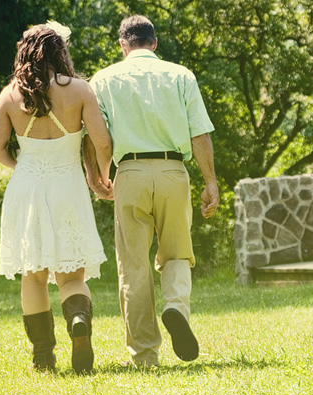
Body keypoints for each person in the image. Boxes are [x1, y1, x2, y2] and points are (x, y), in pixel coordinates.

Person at [85, 14, 219, 367]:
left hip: (129, 172)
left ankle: (145, 355)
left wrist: (98, 175)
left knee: (133, 267)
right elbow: (199, 134)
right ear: (154, 43)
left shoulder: (103, 80)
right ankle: (175, 306)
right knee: (176, 253)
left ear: (123, 45)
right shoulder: (181, 76)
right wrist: (210, 182)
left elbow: (97, 137)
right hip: (174, 170)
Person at [0, 23, 113, 374]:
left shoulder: (10, 95)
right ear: (60, 53)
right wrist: (103, 176)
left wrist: (24, 166)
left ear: (24, 54)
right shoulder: (79, 90)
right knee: (72, 276)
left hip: (26, 188)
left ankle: (43, 357)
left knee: (34, 276)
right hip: (68, 186)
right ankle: (77, 318)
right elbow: (102, 141)